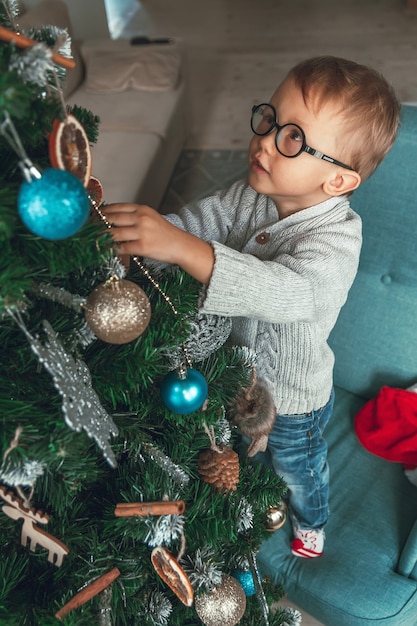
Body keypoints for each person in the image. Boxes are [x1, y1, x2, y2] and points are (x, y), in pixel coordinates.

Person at [101, 56, 400, 558]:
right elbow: (198, 221)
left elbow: (287, 292)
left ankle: (313, 519)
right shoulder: (251, 193)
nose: (265, 140)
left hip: (291, 398)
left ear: (338, 182)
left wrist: (182, 249)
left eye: (293, 139)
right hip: (235, 373)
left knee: (295, 466)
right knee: (234, 447)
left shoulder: (338, 240)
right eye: (269, 119)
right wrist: (154, 237)